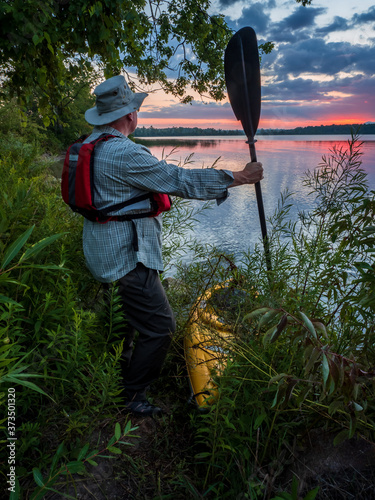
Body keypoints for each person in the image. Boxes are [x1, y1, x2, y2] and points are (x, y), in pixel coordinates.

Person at [82, 75, 263, 416]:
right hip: (127, 259)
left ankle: (115, 376)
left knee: (123, 320)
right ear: (129, 115)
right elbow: (180, 180)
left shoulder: (90, 144)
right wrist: (240, 176)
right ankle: (133, 398)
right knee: (161, 326)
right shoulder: (123, 152)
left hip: (99, 251)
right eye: (135, 110)